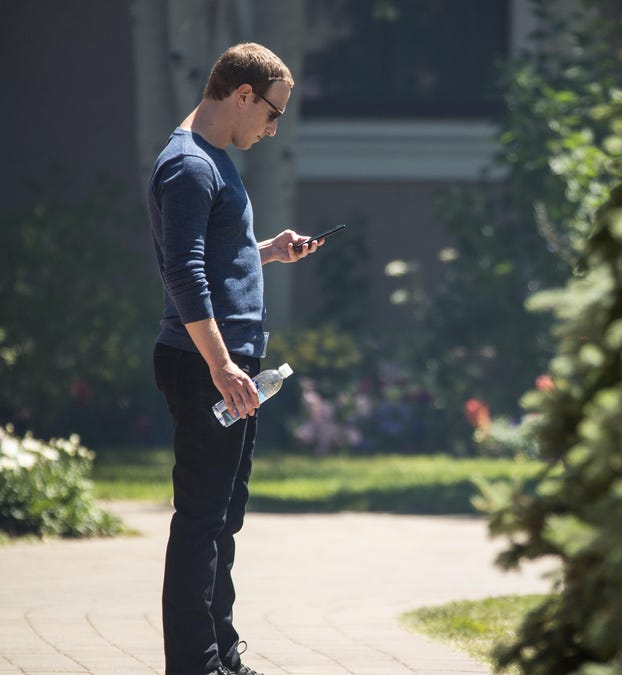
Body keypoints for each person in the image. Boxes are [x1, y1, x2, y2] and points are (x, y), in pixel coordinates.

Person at [148, 42, 320, 675]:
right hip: (205, 368)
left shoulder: (210, 162)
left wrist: (265, 250)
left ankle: (219, 655)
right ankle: (195, 665)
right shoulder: (189, 165)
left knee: (224, 518)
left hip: (228, 368)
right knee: (201, 519)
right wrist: (222, 366)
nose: (273, 128)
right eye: (273, 114)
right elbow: (184, 273)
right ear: (243, 95)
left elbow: (214, 251)